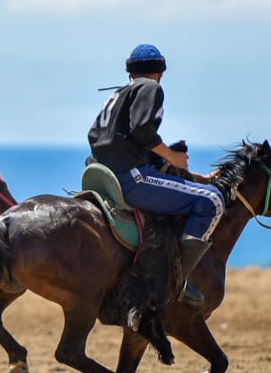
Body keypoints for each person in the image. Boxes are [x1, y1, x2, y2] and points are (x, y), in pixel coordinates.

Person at [87, 44, 224, 308]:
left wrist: (194, 176)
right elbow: (142, 131)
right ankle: (173, 280)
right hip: (130, 179)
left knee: (204, 190)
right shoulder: (151, 88)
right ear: (160, 72)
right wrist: (172, 157)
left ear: (130, 72)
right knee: (213, 201)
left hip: (103, 175)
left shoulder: (117, 95)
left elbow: (98, 137)